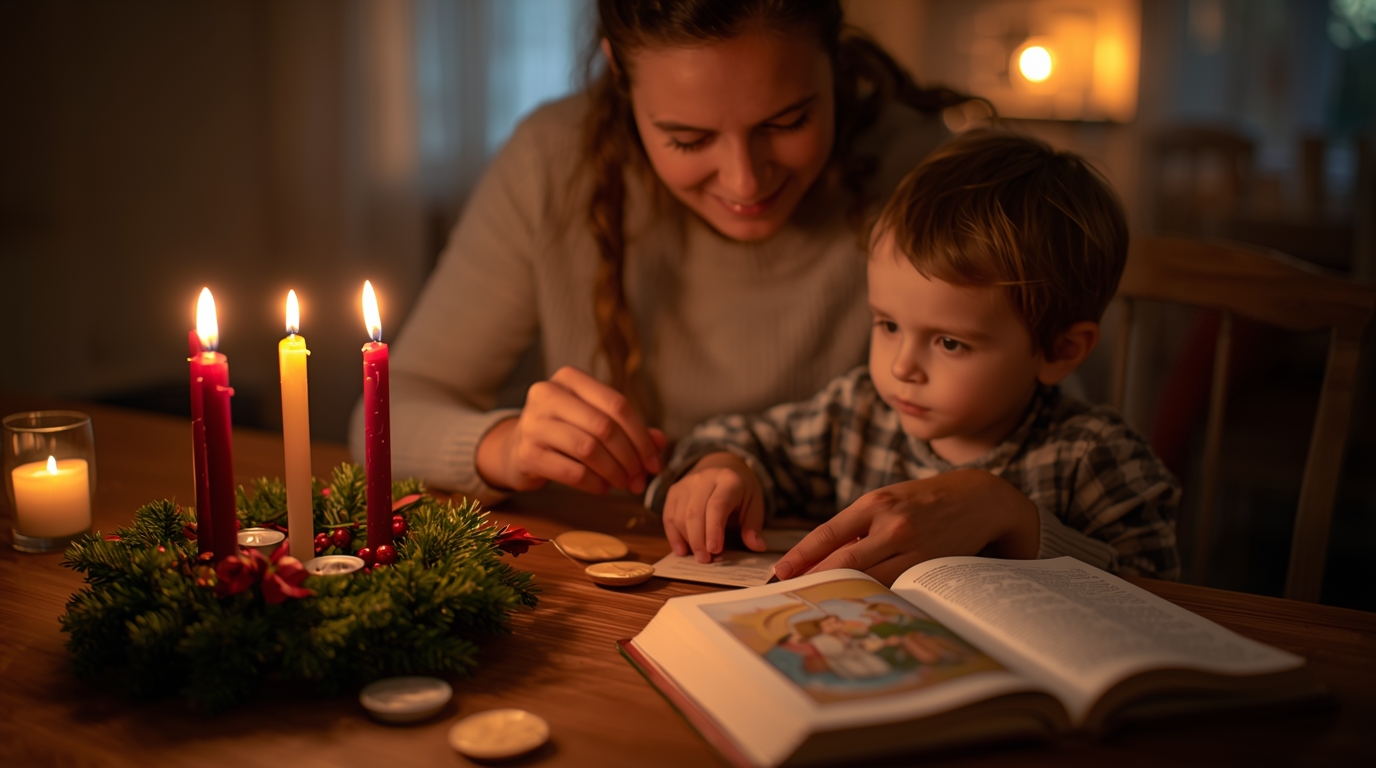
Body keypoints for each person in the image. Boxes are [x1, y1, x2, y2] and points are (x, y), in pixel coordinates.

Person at [351, 0, 1037, 530]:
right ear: (620, 72)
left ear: (832, 59)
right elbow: (382, 415)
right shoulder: (554, 162)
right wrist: (504, 446)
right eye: (688, 138)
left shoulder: (936, 179)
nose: (744, 183)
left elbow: (1048, 433)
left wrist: (996, 506)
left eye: (787, 122)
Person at [652, 130, 1181, 584]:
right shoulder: (858, 415)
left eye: (949, 342)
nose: (902, 366)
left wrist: (1021, 523)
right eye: (887, 325)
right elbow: (740, 439)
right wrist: (723, 467)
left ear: (1061, 351)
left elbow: (1159, 598)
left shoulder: (1093, 458)